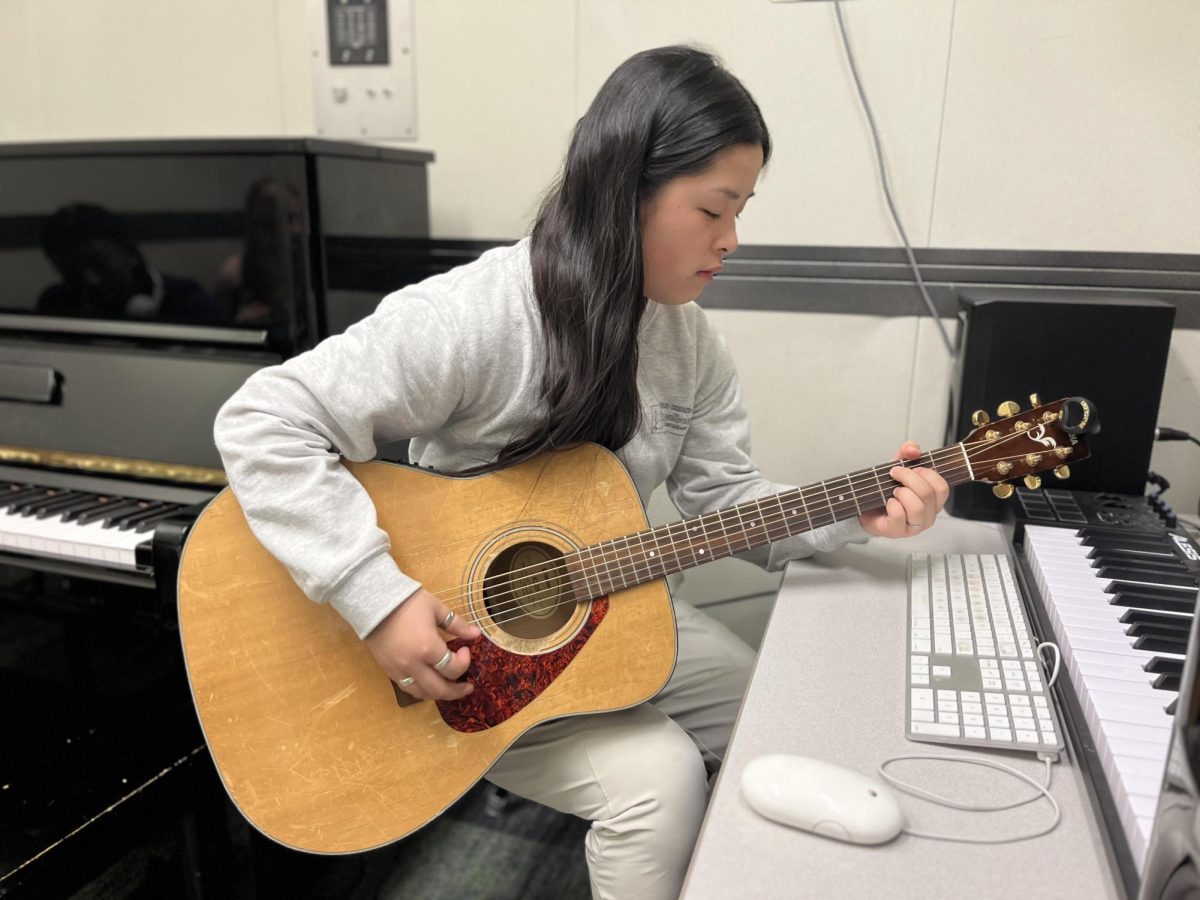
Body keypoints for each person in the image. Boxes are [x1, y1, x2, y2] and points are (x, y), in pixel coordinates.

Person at [214, 45, 949, 900]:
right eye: (714, 209)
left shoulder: (689, 344)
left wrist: (859, 508)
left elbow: (725, 499)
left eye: (741, 210)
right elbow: (264, 420)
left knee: (776, 708)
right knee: (663, 781)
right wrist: (376, 597)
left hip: (611, 617)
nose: (732, 240)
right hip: (457, 655)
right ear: (623, 190)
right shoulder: (476, 317)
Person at [37, 203, 223, 326]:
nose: (91, 280)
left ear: (128, 249)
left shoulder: (188, 301)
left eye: (98, 263)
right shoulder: (55, 305)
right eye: (71, 272)